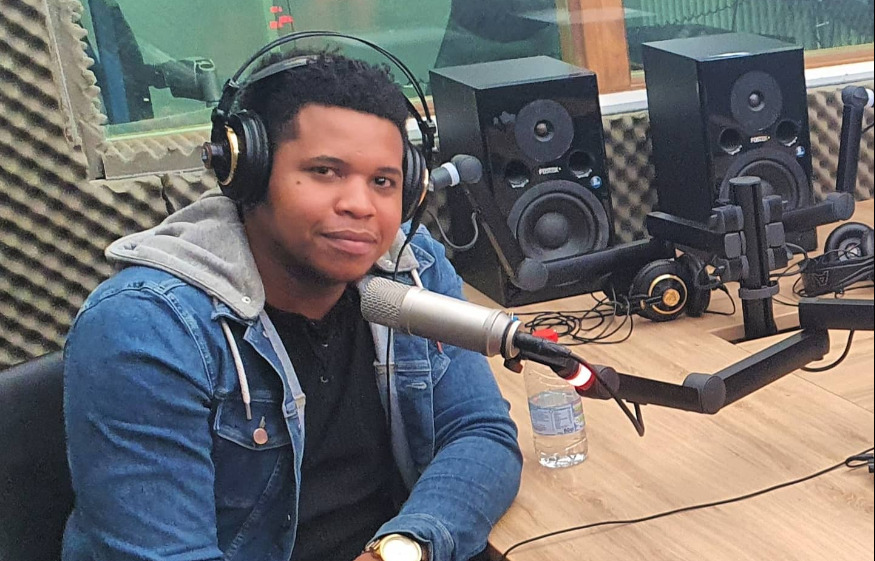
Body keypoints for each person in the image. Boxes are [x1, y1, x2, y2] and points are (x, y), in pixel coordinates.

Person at [62, 49, 522, 561]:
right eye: (325, 171)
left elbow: (479, 432)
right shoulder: (145, 328)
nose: (360, 205)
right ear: (248, 172)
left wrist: (405, 545)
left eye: (383, 181)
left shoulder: (412, 268)